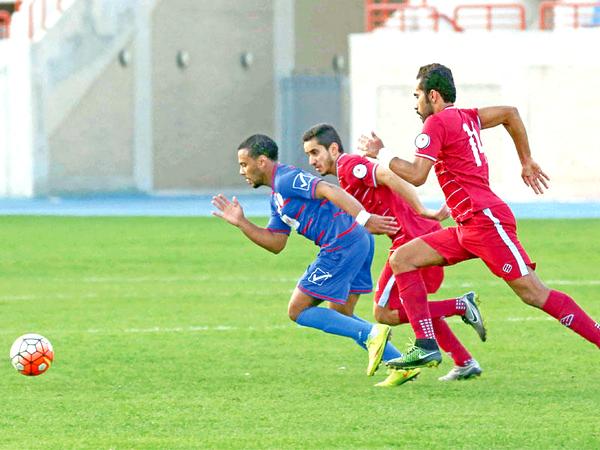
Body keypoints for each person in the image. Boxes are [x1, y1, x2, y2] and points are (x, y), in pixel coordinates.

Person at [359, 63, 600, 369]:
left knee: (534, 293)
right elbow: (509, 113)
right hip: (466, 225)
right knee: (402, 259)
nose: (415, 103)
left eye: (417, 95)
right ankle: (426, 344)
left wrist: (381, 153)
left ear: (433, 95)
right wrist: (525, 160)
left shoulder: (435, 124)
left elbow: (417, 175)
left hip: (485, 221)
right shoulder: (467, 117)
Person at [212, 134, 419, 386]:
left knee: (297, 310)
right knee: (341, 313)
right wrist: (242, 223)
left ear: (262, 161)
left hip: (342, 243)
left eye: (244, 164)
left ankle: (371, 333)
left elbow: (328, 189)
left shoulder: (286, 178)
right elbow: (276, 242)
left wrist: (364, 218)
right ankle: (400, 364)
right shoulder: (276, 197)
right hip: (357, 241)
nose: (242, 171)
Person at [302, 123, 486, 382]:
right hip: (418, 235)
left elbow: (389, 175)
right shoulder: (345, 177)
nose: (311, 160)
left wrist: (421, 208)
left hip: (411, 240)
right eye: (308, 155)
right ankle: (464, 361)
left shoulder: (347, 165)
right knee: (415, 305)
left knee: (384, 312)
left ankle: (460, 305)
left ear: (333, 149)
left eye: (315, 152)